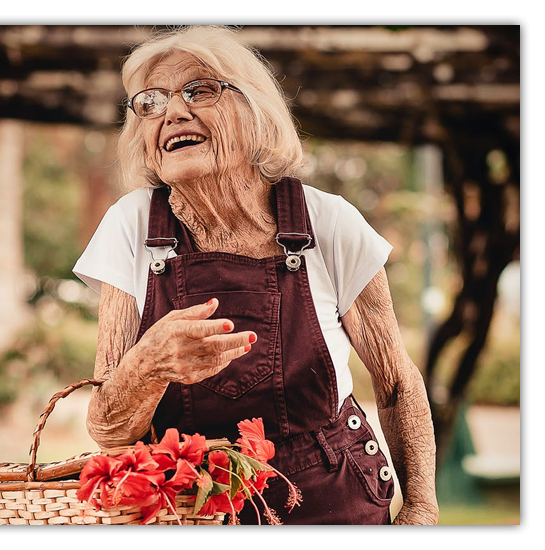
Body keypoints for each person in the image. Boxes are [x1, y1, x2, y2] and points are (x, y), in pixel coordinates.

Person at [73, 25, 438, 525]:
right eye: (150, 103)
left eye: (199, 90)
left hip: (330, 496)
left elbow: (396, 382)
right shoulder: (130, 225)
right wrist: (148, 366)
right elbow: (108, 429)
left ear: (255, 111)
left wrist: (420, 507)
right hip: (189, 506)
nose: (172, 113)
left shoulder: (327, 222)